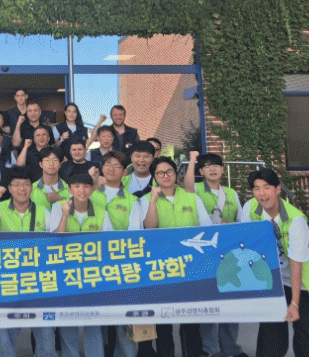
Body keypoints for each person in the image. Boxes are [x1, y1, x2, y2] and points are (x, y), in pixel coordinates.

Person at [242, 168, 309, 357]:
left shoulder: (295, 220)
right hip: (272, 279)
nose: (262, 193)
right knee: (271, 336)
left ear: (278, 189)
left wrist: (294, 303)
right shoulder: (250, 208)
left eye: (267, 187)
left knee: (305, 335)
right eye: (257, 188)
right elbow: (247, 245)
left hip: (303, 281)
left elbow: (296, 264)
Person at [0, 167, 56, 357]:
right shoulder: (0, 208)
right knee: (5, 335)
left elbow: (56, 241)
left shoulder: (43, 211)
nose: (22, 189)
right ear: (10, 188)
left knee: (46, 337)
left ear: (32, 187)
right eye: (17, 184)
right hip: (8, 281)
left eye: (26, 184)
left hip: (37, 280)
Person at [141, 156, 211, 357]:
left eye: (169, 171)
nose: (166, 176)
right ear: (154, 177)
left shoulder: (192, 198)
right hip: (161, 268)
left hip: (191, 267)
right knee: (163, 321)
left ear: (176, 173)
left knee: (191, 320)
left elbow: (207, 229)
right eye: (160, 173)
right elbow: (149, 228)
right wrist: (153, 200)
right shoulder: (144, 200)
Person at [183, 152, 248, 357]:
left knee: (231, 302)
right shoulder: (195, 191)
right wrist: (192, 160)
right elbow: (187, 187)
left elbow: (241, 221)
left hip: (229, 254)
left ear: (222, 169)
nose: (213, 169)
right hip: (206, 256)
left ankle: (231, 347)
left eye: (217, 165)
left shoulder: (231, 193)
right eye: (207, 166)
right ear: (201, 171)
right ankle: (209, 349)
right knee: (209, 303)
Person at [48, 173, 112, 357]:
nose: (81, 191)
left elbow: (109, 243)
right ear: (69, 189)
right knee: (67, 322)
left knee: (93, 322)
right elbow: (55, 241)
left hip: (93, 275)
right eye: (76, 186)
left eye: (86, 186)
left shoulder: (101, 211)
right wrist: (65, 215)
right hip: (65, 274)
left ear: (91, 189)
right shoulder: (58, 208)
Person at [88, 152, 141, 357]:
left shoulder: (132, 200)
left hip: (122, 264)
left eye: (117, 165)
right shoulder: (89, 194)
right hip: (93, 264)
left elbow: (135, 234)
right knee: (94, 316)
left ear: (124, 171)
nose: (111, 168)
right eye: (108, 164)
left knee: (124, 316)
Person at [29, 146, 69, 212]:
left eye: (55, 160)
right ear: (40, 164)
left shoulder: (70, 189)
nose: (51, 164)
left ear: (60, 164)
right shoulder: (31, 189)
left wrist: (59, 198)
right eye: (47, 160)